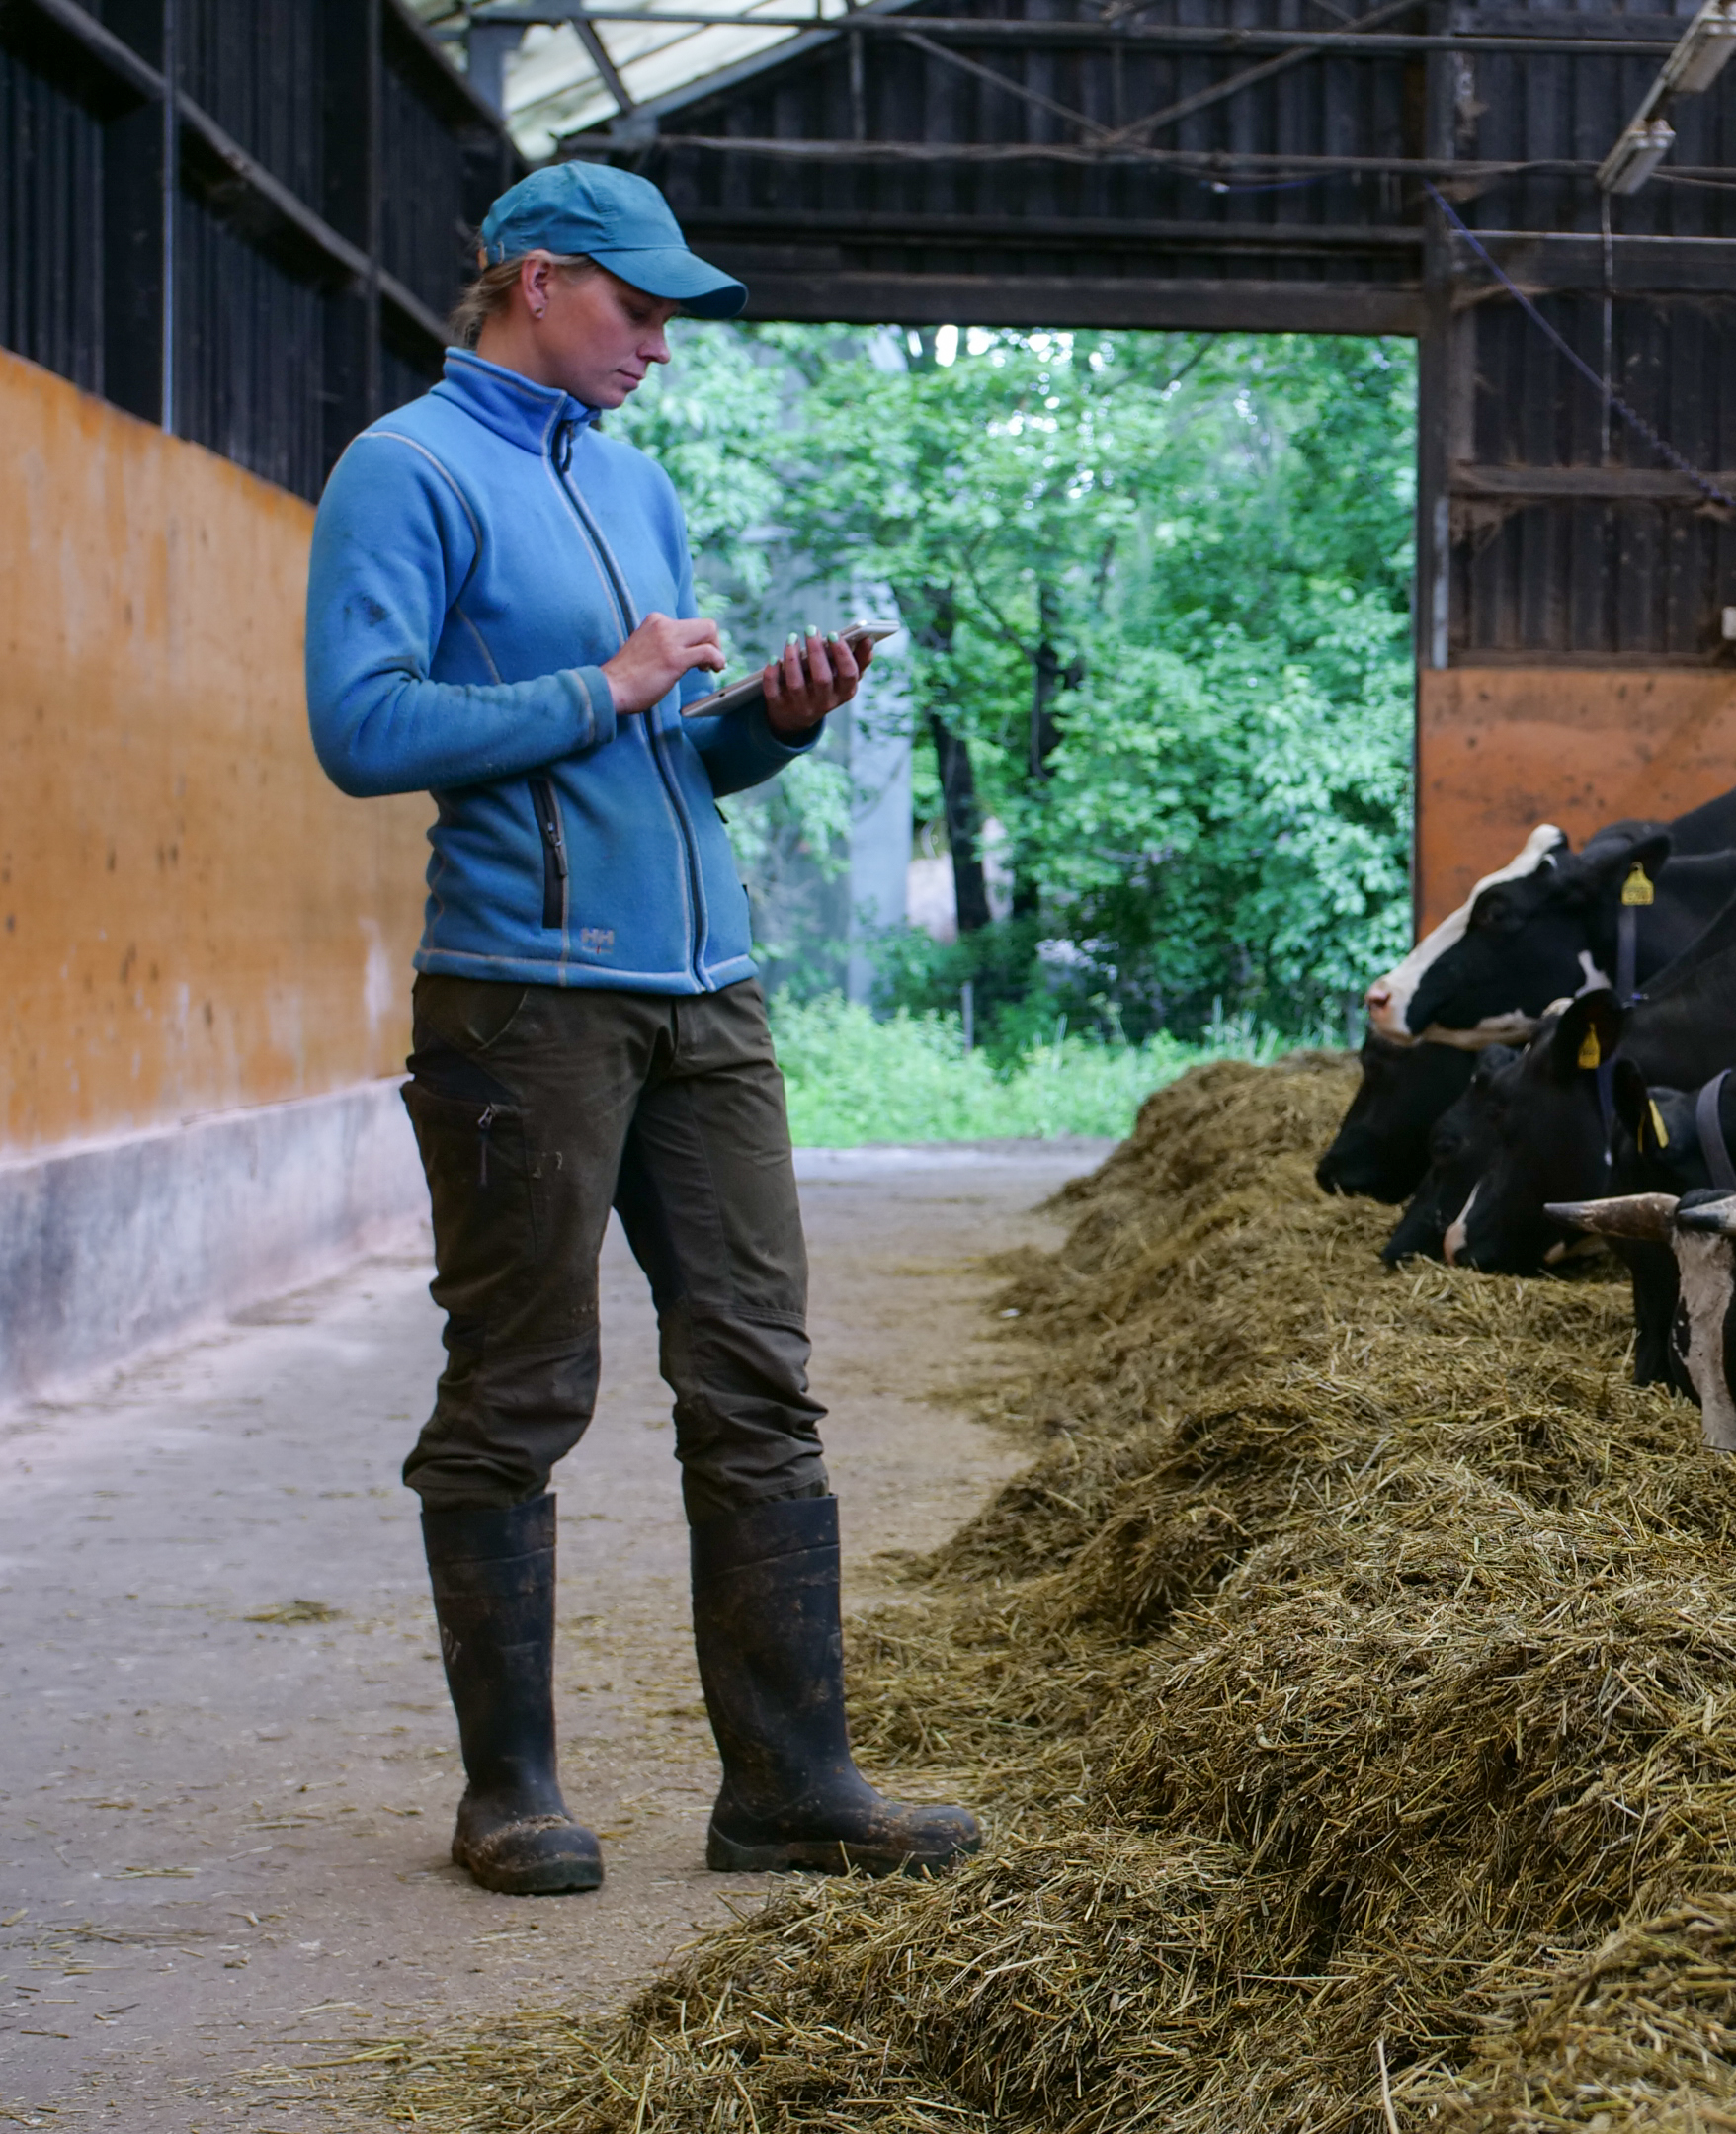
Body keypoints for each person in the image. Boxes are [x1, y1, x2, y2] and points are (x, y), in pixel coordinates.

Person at [303, 163, 977, 1896]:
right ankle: (510, 1796)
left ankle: (789, 1790)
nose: (661, 343)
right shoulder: (406, 470)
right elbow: (362, 728)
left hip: (705, 991)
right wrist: (603, 682)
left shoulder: (634, 483)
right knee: (519, 1390)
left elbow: (663, 761)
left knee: (759, 1385)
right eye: (639, 306)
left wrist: (770, 723)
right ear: (537, 280)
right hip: (522, 997)